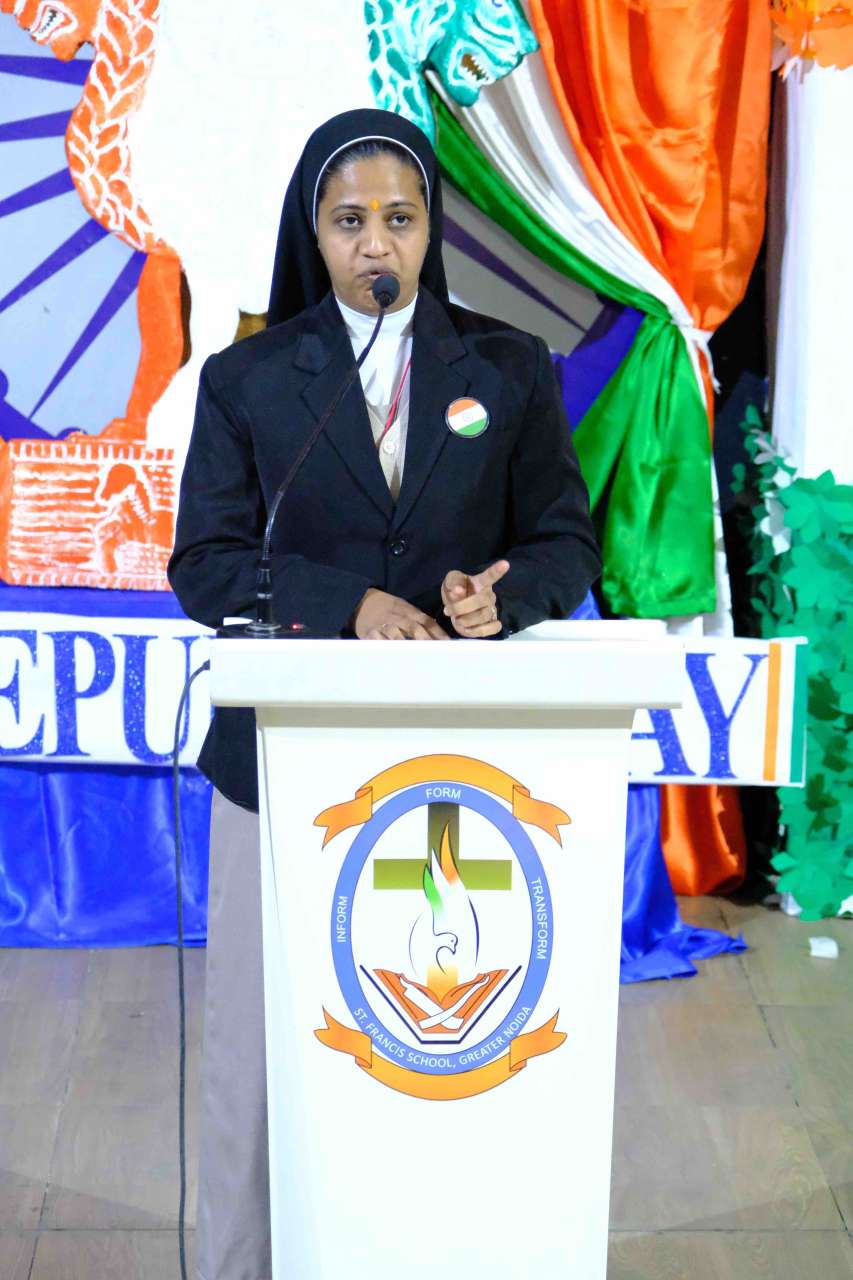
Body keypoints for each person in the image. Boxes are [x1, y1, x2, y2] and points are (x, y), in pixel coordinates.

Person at [168, 107, 600, 1280]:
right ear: (312, 232)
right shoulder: (249, 378)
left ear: (429, 230)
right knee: (257, 1050)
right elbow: (204, 565)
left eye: (399, 220)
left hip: (460, 770)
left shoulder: (507, 368)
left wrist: (502, 596)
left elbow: (564, 543)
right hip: (275, 763)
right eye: (350, 220)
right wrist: (343, 600)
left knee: (437, 1039)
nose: (376, 245)